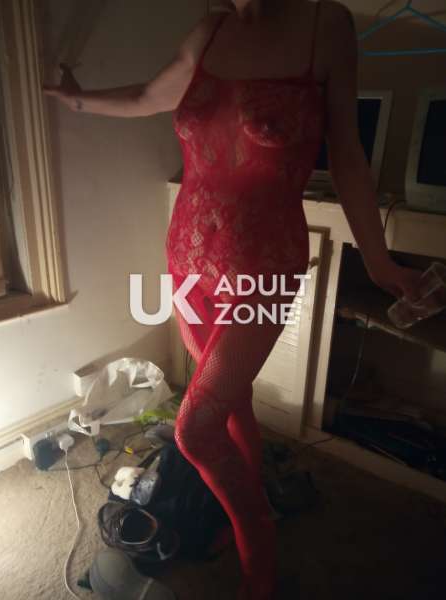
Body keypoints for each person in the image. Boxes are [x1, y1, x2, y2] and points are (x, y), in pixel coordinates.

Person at [44, 1, 422, 598]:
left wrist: (377, 260)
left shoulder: (325, 27)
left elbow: (348, 155)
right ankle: (246, 502)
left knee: (195, 428)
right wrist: (77, 100)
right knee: (232, 400)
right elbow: (147, 96)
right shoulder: (211, 30)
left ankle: (257, 556)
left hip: (264, 268)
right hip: (187, 257)